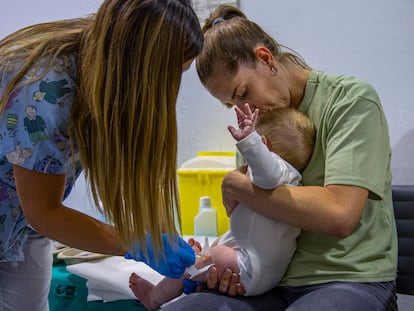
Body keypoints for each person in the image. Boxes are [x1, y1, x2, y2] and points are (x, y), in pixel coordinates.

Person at [162, 4, 398, 311]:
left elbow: (339, 215)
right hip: (269, 280)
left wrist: (237, 186)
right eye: (231, 103)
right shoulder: (256, 128)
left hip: (348, 277)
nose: (244, 108)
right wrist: (224, 263)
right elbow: (253, 221)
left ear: (265, 58)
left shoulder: (350, 100)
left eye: (244, 92)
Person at [0, 1, 203, 310]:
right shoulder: (47, 92)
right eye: (175, 73)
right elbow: (43, 213)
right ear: (143, 65)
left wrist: (163, 236)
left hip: (20, 223)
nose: (172, 88)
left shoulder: (103, 67)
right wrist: (137, 243)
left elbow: (139, 170)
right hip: (27, 214)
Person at [128, 104, 316, 309]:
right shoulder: (291, 182)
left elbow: (267, 172)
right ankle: (201, 258)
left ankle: (155, 296)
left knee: (208, 258)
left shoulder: (278, 172)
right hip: (261, 266)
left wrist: (249, 141)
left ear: (264, 145)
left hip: (251, 265)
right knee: (216, 248)